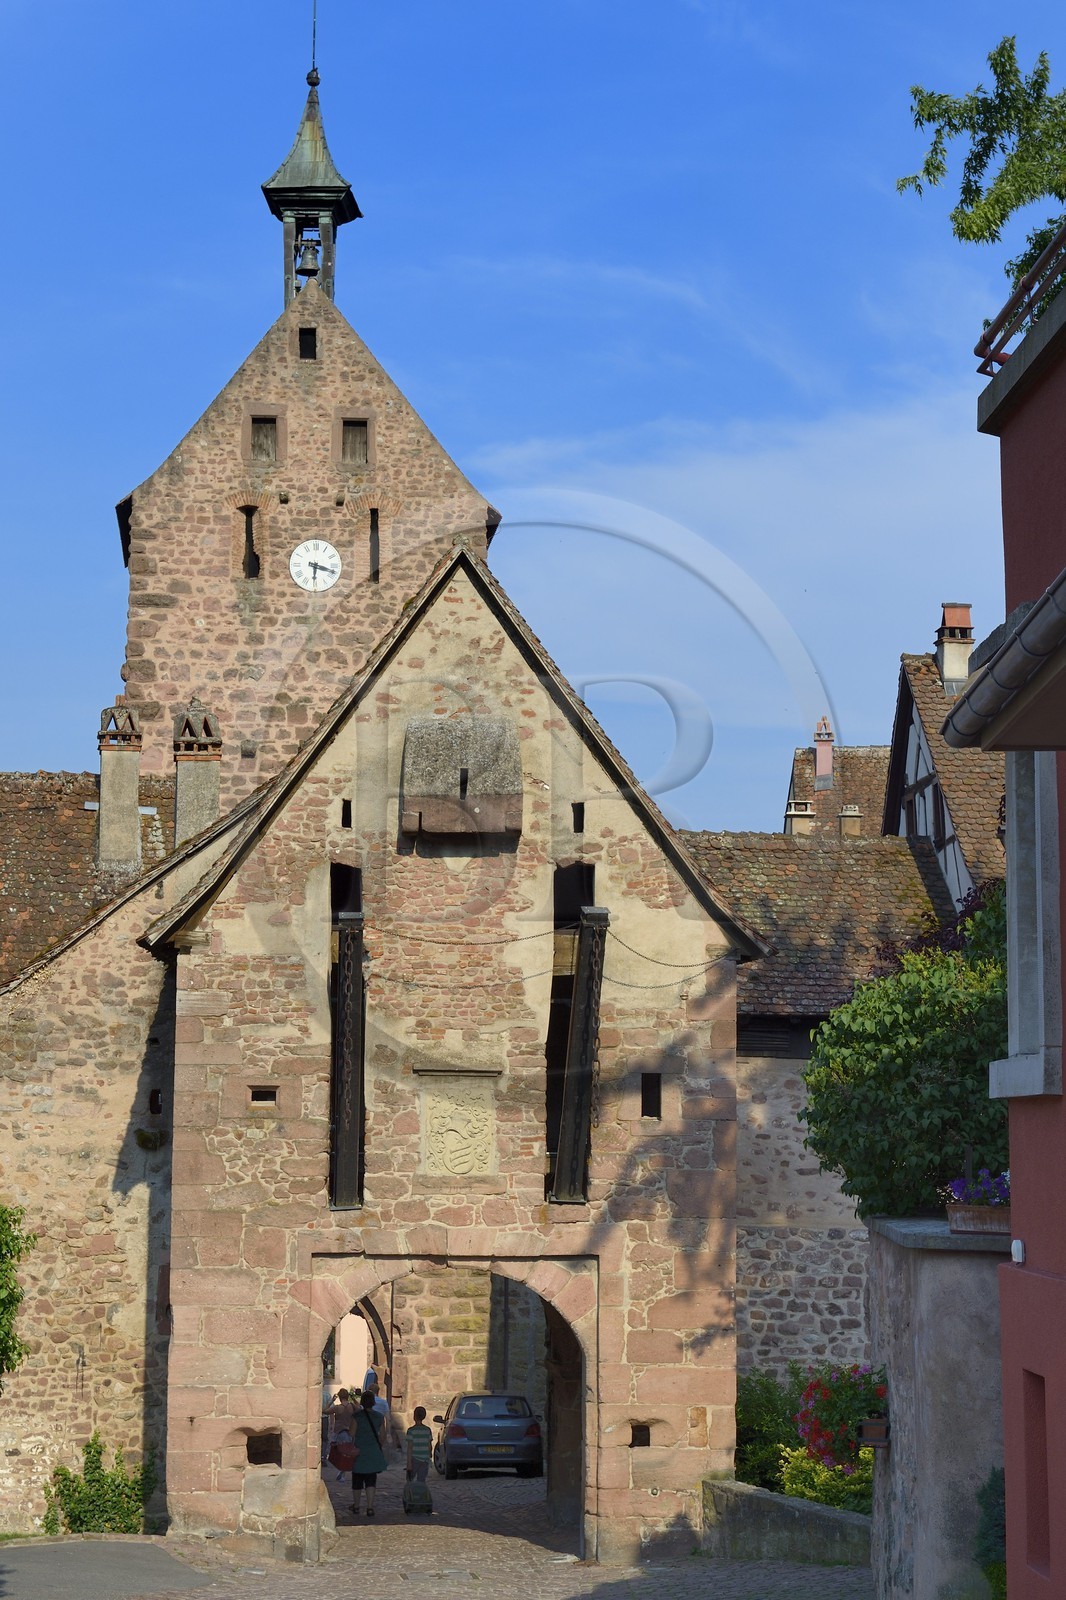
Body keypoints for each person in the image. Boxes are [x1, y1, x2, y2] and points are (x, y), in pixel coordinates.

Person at [350, 1388, 388, 1515]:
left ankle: (356, 1506)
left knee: (357, 1480)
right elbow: (383, 1436)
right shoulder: (379, 1417)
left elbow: (351, 1433)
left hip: (359, 1452)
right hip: (373, 1451)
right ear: (373, 1402)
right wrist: (378, 1445)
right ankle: (370, 1507)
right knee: (371, 1480)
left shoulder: (357, 1417)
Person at [405, 1406, 433, 1485]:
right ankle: (420, 1491)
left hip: (415, 1458)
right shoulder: (427, 1430)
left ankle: (410, 1491)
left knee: (409, 1479)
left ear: (414, 1416)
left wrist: (409, 1463)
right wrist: (429, 1455)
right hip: (425, 1459)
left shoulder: (411, 1431)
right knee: (421, 1480)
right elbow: (429, 1445)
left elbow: (410, 1447)